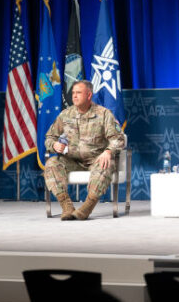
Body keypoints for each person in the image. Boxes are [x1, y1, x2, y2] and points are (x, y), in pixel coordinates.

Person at [43, 80, 125, 220]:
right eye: (73, 93)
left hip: (96, 159)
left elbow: (118, 139)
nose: (74, 96)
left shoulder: (104, 114)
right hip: (72, 160)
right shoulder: (65, 115)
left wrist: (108, 151)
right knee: (51, 163)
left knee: (106, 164)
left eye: (78, 93)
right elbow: (49, 137)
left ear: (89, 95)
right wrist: (54, 145)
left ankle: (87, 207)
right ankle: (66, 206)